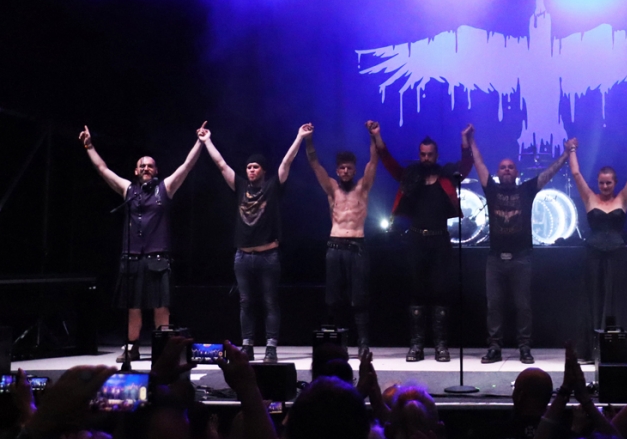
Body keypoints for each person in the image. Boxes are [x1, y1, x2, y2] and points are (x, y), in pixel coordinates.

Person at [78, 123, 204, 363]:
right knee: (132, 306)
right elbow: (103, 169)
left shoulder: (165, 188)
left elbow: (186, 166)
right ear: (136, 171)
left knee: (161, 306)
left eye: (150, 166)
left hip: (158, 257)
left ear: (156, 170)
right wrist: (89, 146)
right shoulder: (128, 190)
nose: (146, 168)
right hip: (132, 257)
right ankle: (132, 347)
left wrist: (199, 142)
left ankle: (163, 348)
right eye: (142, 166)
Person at [197, 122, 310, 363]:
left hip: (268, 255)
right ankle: (247, 346)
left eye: (255, 167)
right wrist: (207, 141)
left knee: (270, 302)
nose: (250, 170)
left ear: (263, 171)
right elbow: (221, 164)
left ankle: (270, 348)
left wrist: (299, 137)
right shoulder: (239, 186)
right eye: (248, 167)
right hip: (242, 256)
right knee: (245, 302)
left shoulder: (272, 186)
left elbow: (286, 162)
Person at [468, 128, 574, 364]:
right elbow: (479, 163)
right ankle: (494, 347)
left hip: (521, 258)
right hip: (495, 258)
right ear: (498, 173)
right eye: (502, 167)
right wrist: (472, 141)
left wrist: (566, 154)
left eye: (510, 167)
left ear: (516, 172)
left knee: (523, 306)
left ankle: (524, 347)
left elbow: (548, 173)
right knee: (494, 306)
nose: (506, 170)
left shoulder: (526, 190)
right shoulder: (491, 190)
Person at [371, 123, 473, 362]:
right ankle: (416, 345)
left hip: (440, 240)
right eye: (423, 154)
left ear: (436, 155)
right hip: (416, 239)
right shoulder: (411, 176)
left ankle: (441, 346)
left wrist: (465, 140)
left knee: (440, 292)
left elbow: (466, 166)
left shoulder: (446, 176)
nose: (426, 158)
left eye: (430, 154)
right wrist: (377, 136)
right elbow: (389, 162)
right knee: (416, 292)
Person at [305, 122, 378, 356]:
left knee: (359, 298)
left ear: (354, 170)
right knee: (333, 299)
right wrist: (308, 139)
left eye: (349, 168)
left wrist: (373, 136)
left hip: (357, 245)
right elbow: (314, 163)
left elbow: (373, 161)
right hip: (335, 245)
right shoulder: (332, 188)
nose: (345, 171)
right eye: (342, 168)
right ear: (337, 171)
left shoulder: (362, 188)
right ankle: (336, 342)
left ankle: (363, 344)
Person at [568, 136, 627, 363]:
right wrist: (572, 150)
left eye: (608, 183)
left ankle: (618, 350)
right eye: (601, 183)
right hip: (594, 255)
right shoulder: (590, 198)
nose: (605, 186)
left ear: (615, 183)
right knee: (594, 300)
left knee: (617, 301)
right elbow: (576, 174)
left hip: (617, 255)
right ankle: (590, 351)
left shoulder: (623, 199)